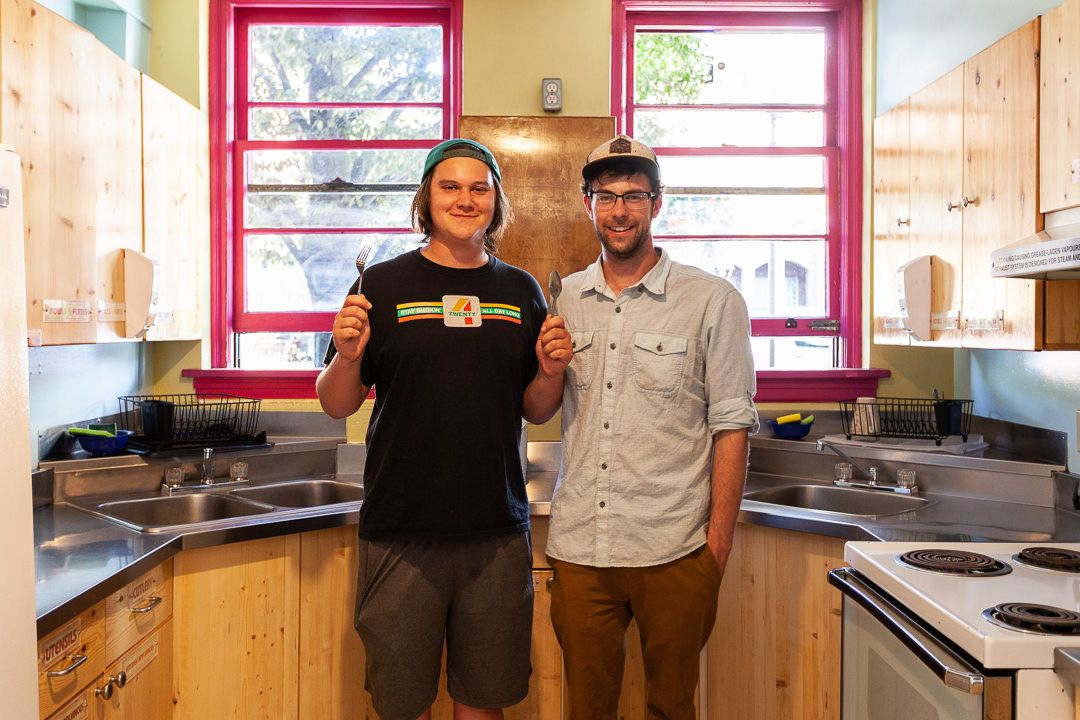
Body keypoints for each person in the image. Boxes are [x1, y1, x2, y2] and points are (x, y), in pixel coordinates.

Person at [316, 138, 571, 720]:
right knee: (403, 704)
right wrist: (349, 355)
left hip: (495, 532)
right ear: (425, 198)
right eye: (449, 186)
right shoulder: (379, 287)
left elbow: (536, 408)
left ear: (495, 201)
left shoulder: (521, 291)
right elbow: (336, 403)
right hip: (401, 529)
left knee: (482, 702)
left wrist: (552, 370)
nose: (464, 199)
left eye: (478, 188)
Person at [544, 134, 758, 719]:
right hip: (582, 549)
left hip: (675, 550)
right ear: (588, 204)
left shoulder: (712, 301)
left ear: (658, 204)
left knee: (671, 708)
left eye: (634, 196)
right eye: (606, 196)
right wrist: (546, 363)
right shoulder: (564, 300)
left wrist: (715, 549)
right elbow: (540, 406)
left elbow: (732, 427)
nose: (620, 211)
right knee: (587, 710)